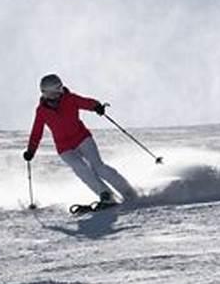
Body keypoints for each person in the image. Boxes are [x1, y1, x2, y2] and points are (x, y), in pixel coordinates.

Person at [23, 74, 137, 204]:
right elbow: (36, 132)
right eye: (54, 93)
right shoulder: (41, 111)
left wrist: (96, 106)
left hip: (82, 138)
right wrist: (31, 151)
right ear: (45, 93)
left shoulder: (69, 99)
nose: (57, 95)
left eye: (59, 90)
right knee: (81, 169)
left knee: (98, 166)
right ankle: (105, 194)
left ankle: (127, 190)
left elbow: (85, 102)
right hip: (64, 147)